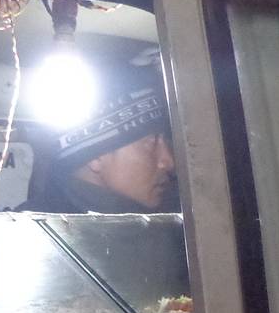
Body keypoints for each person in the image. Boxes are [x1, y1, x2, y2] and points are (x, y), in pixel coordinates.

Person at [33, 74, 178, 214]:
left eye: (166, 141)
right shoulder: (29, 232)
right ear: (96, 157)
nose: (168, 162)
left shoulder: (177, 224)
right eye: (151, 144)